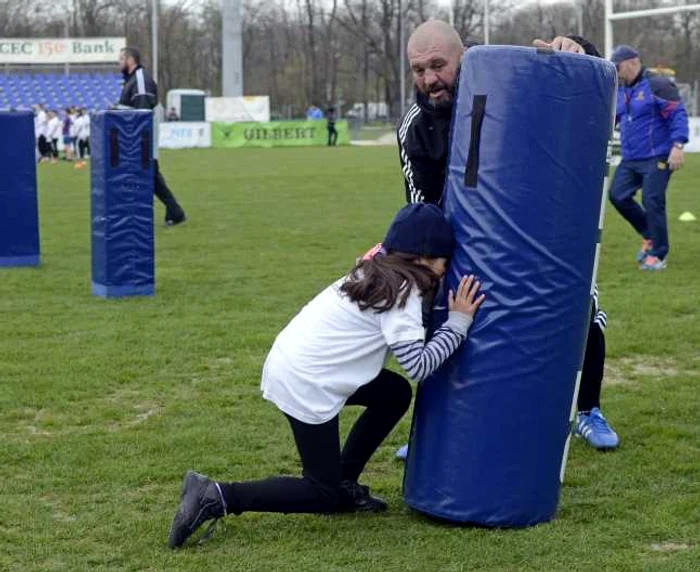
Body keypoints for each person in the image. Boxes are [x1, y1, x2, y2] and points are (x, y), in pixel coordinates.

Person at [167, 203, 487, 549]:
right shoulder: (402, 292)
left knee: (392, 393)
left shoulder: (377, 265)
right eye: (444, 259)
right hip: (307, 380)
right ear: (425, 256)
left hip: (301, 363)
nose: (446, 267)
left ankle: (345, 483)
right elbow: (418, 366)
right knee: (320, 492)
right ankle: (217, 496)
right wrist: (458, 322)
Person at [393, 20, 618, 454]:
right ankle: (438, 422)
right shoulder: (416, 125)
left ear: (464, 55)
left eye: (438, 66)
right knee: (441, 314)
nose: (429, 80)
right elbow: (421, 204)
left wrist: (577, 49)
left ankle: (588, 408)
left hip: (536, 228)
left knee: (584, 310)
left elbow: (564, 77)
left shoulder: (502, 80)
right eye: (418, 71)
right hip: (462, 238)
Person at [608, 45, 689, 271]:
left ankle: (658, 254)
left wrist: (678, 145)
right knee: (617, 195)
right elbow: (613, 119)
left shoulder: (658, 85)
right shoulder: (622, 90)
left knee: (652, 200)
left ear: (633, 62)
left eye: (618, 66)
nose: (616, 70)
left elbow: (677, 114)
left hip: (658, 156)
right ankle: (649, 235)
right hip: (631, 158)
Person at [118, 47, 187, 226]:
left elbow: (142, 111)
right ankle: (174, 211)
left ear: (130, 60)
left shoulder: (140, 79)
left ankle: (140, 217)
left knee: (148, 176)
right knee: (152, 177)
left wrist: (136, 140)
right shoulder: (132, 81)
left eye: (120, 59)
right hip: (139, 139)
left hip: (142, 139)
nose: (118, 63)